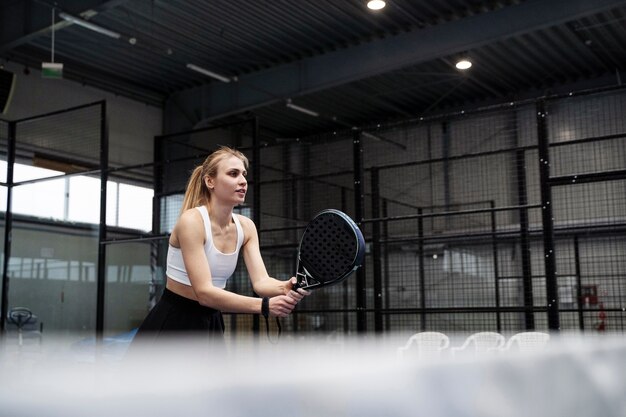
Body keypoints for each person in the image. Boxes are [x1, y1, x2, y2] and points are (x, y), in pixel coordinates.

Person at [133, 146, 309, 347]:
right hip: (174, 322)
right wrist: (264, 306)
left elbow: (261, 282)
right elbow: (205, 293)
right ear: (210, 181)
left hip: (212, 323)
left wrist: (283, 287)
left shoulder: (246, 227)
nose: (243, 181)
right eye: (233, 174)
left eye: (243, 174)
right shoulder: (192, 221)